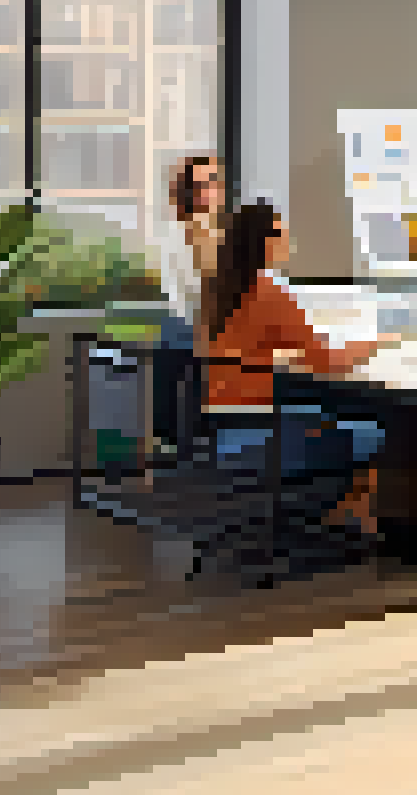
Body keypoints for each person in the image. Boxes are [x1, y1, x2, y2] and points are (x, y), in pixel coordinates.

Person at [201, 201, 397, 538]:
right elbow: (330, 361)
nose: (286, 238)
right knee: (379, 427)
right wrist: (376, 343)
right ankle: (357, 513)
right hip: (264, 433)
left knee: (321, 407)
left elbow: (243, 347)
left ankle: (344, 507)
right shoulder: (270, 294)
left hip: (223, 427)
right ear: (259, 241)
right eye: (278, 232)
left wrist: (280, 353)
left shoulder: (218, 291)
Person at [149, 156, 228, 450]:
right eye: (204, 183)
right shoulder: (195, 230)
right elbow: (208, 286)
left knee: (179, 419)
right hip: (193, 328)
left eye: (216, 180)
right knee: (193, 419)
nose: (214, 188)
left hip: (185, 328)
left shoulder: (207, 230)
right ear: (189, 191)